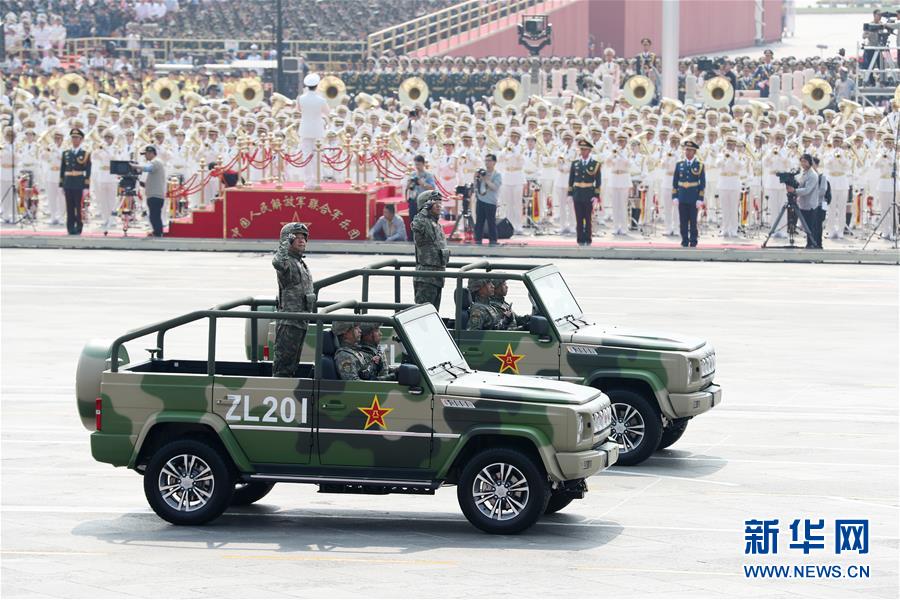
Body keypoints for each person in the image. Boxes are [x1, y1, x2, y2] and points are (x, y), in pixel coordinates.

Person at [272, 222, 315, 378]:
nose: (301, 240)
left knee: (293, 364)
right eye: (296, 237)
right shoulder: (287, 262)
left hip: (301, 321)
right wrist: (284, 243)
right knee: (283, 367)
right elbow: (277, 262)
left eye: (303, 237)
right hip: (289, 322)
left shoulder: (300, 263)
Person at [411, 190, 448, 309]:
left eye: (439, 202)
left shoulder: (437, 224)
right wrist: (424, 210)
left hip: (438, 277)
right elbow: (416, 224)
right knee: (423, 313)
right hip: (426, 278)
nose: (438, 205)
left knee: (434, 314)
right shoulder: (422, 221)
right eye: (434, 202)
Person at [567, 138, 602, 245]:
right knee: (579, 218)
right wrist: (570, 194)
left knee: (588, 218)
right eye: (581, 150)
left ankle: (588, 238)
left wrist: (596, 196)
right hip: (577, 193)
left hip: (588, 193)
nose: (583, 152)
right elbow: (571, 179)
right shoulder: (575, 163)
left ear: (589, 151)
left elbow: (598, 181)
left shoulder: (595, 164)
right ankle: (580, 239)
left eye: (585, 150)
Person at [297, 72, 329, 189]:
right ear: (317, 85)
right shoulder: (321, 99)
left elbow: (299, 110)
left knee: (306, 156)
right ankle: (316, 182)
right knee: (317, 157)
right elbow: (327, 112)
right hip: (317, 129)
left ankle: (308, 183)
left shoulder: (300, 98)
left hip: (305, 129)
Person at [672, 139, 706, 248]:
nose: (688, 152)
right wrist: (675, 196)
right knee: (683, 221)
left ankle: (693, 240)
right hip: (682, 196)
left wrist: (700, 198)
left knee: (693, 221)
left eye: (690, 150)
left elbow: (702, 183)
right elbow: (675, 182)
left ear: (694, 152)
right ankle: (684, 240)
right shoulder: (679, 164)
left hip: (693, 197)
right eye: (686, 150)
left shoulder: (699, 165)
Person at [59, 128, 91, 235]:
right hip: (68, 183)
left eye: (77, 138)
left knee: (78, 206)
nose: (74, 140)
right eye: (73, 138)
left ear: (81, 139)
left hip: (79, 183)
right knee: (69, 207)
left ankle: (78, 227)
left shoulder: (85, 154)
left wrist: (86, 186)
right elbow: (62, 169)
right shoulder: (66, 153)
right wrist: (61, 184)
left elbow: (88, 170)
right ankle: (70, 227)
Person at [785, 153, 820, 249]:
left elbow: (807, 190)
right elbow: (800, 184)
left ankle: (811, 244)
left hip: (810, 205)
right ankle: (809, 244)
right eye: (801, 162)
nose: (803, 164)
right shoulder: (804, 172)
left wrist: (794, 191)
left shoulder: (812, 175)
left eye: (805, 161)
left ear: (810, 162)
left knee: (809, 227)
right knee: (806, 226)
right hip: (803, 204)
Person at [138, 145, 166, 237]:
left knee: (154, 215)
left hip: (155, 195)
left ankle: (158, 233)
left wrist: (134, 166)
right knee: (154, 215)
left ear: (151, 153)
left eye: (146, 154)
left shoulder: (156, 162)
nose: (145, 156)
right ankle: (157, 231)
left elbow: (147, 168)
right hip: (154, 194)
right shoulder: (155, 162)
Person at [474, 153, 501, 245]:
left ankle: (493, 240)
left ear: (494, 162)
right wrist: (476, 177)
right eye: (486, 160)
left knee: (491, 222)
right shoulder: (482, 172)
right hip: (480, 200)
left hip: (491, 201)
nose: (487, 163)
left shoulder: (497, 175)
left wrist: (486, 179)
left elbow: (495, 187)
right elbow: (476, 186)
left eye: (489, 160)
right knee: (479, 221)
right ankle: (478, 239)